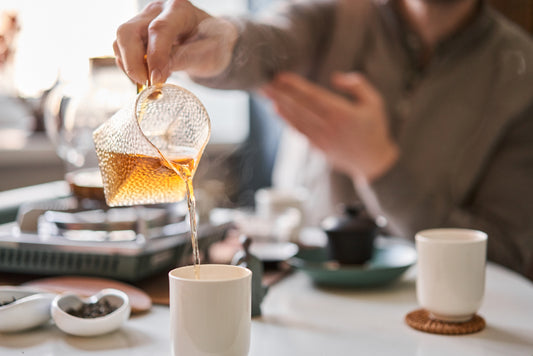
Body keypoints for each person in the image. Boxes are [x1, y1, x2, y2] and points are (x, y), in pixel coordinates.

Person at [114, 0, 533, 281]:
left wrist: (379, 167)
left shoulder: (520, 76)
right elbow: (266, 45)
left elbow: (508, 255)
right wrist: (220, 42)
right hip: (305, 290)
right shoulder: (338, 14)